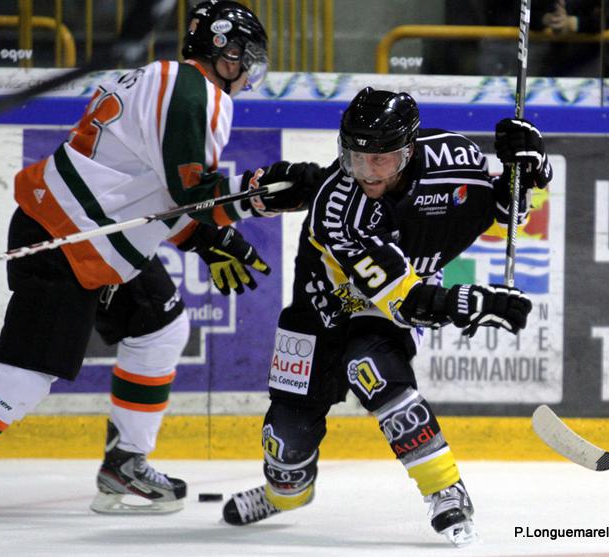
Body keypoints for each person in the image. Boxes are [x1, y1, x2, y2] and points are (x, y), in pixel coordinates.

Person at [0, 0, 310, 515]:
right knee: (23, 374)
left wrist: (200, 237)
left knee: (160, 326)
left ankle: (124, 463)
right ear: (223, 48)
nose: (249, 70)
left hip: (90, 236)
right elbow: (190, 191)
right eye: (247, 56)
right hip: (68, 238)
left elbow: (150, 190)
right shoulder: (194, 90)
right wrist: (258, 193)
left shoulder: (160, 79)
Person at [220, 88, 551, 546]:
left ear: (410, 150)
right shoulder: (340, 209)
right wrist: (472, 302)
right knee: (284, 441)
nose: (367, 172)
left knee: (373, 370)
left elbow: (505, 208)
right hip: (319, 311)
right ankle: (286, 495)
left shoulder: (455, 159)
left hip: (378, 313)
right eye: (356, 158)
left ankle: (445, 489)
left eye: (382, 160)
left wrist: (530, 169)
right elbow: (407, 300)